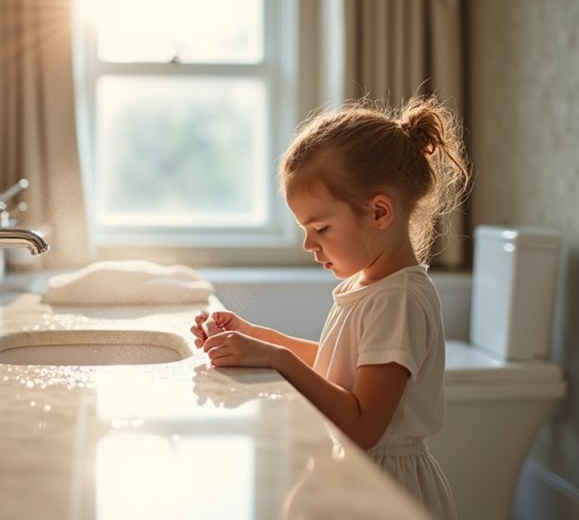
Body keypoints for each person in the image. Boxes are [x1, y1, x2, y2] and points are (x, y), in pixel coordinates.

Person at [190, 95, 469, 520]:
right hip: (358, 481)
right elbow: (339, 367)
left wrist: (276, 357)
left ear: (379, 212)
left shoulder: (399, 300)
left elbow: (362, 425)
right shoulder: (371, 285)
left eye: (320, 228)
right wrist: (255, 337)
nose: (308, 244)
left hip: (386, 492)